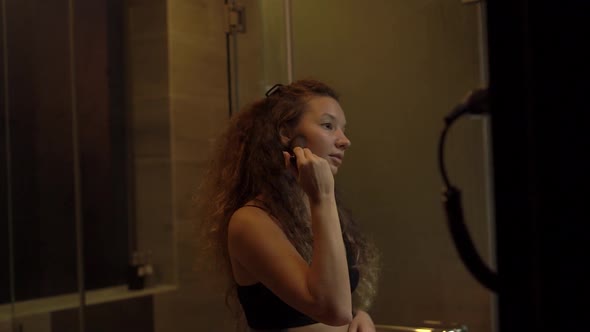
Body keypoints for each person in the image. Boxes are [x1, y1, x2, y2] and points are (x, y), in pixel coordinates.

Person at [198, 79, 380, 331]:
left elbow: (338, 303)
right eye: (328, 126)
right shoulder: (250, 220)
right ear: (285, 132)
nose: (344, 141)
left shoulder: (314, 208)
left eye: (343, 129)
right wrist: (322, 197)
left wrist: (358, 315)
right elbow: (332, 309)